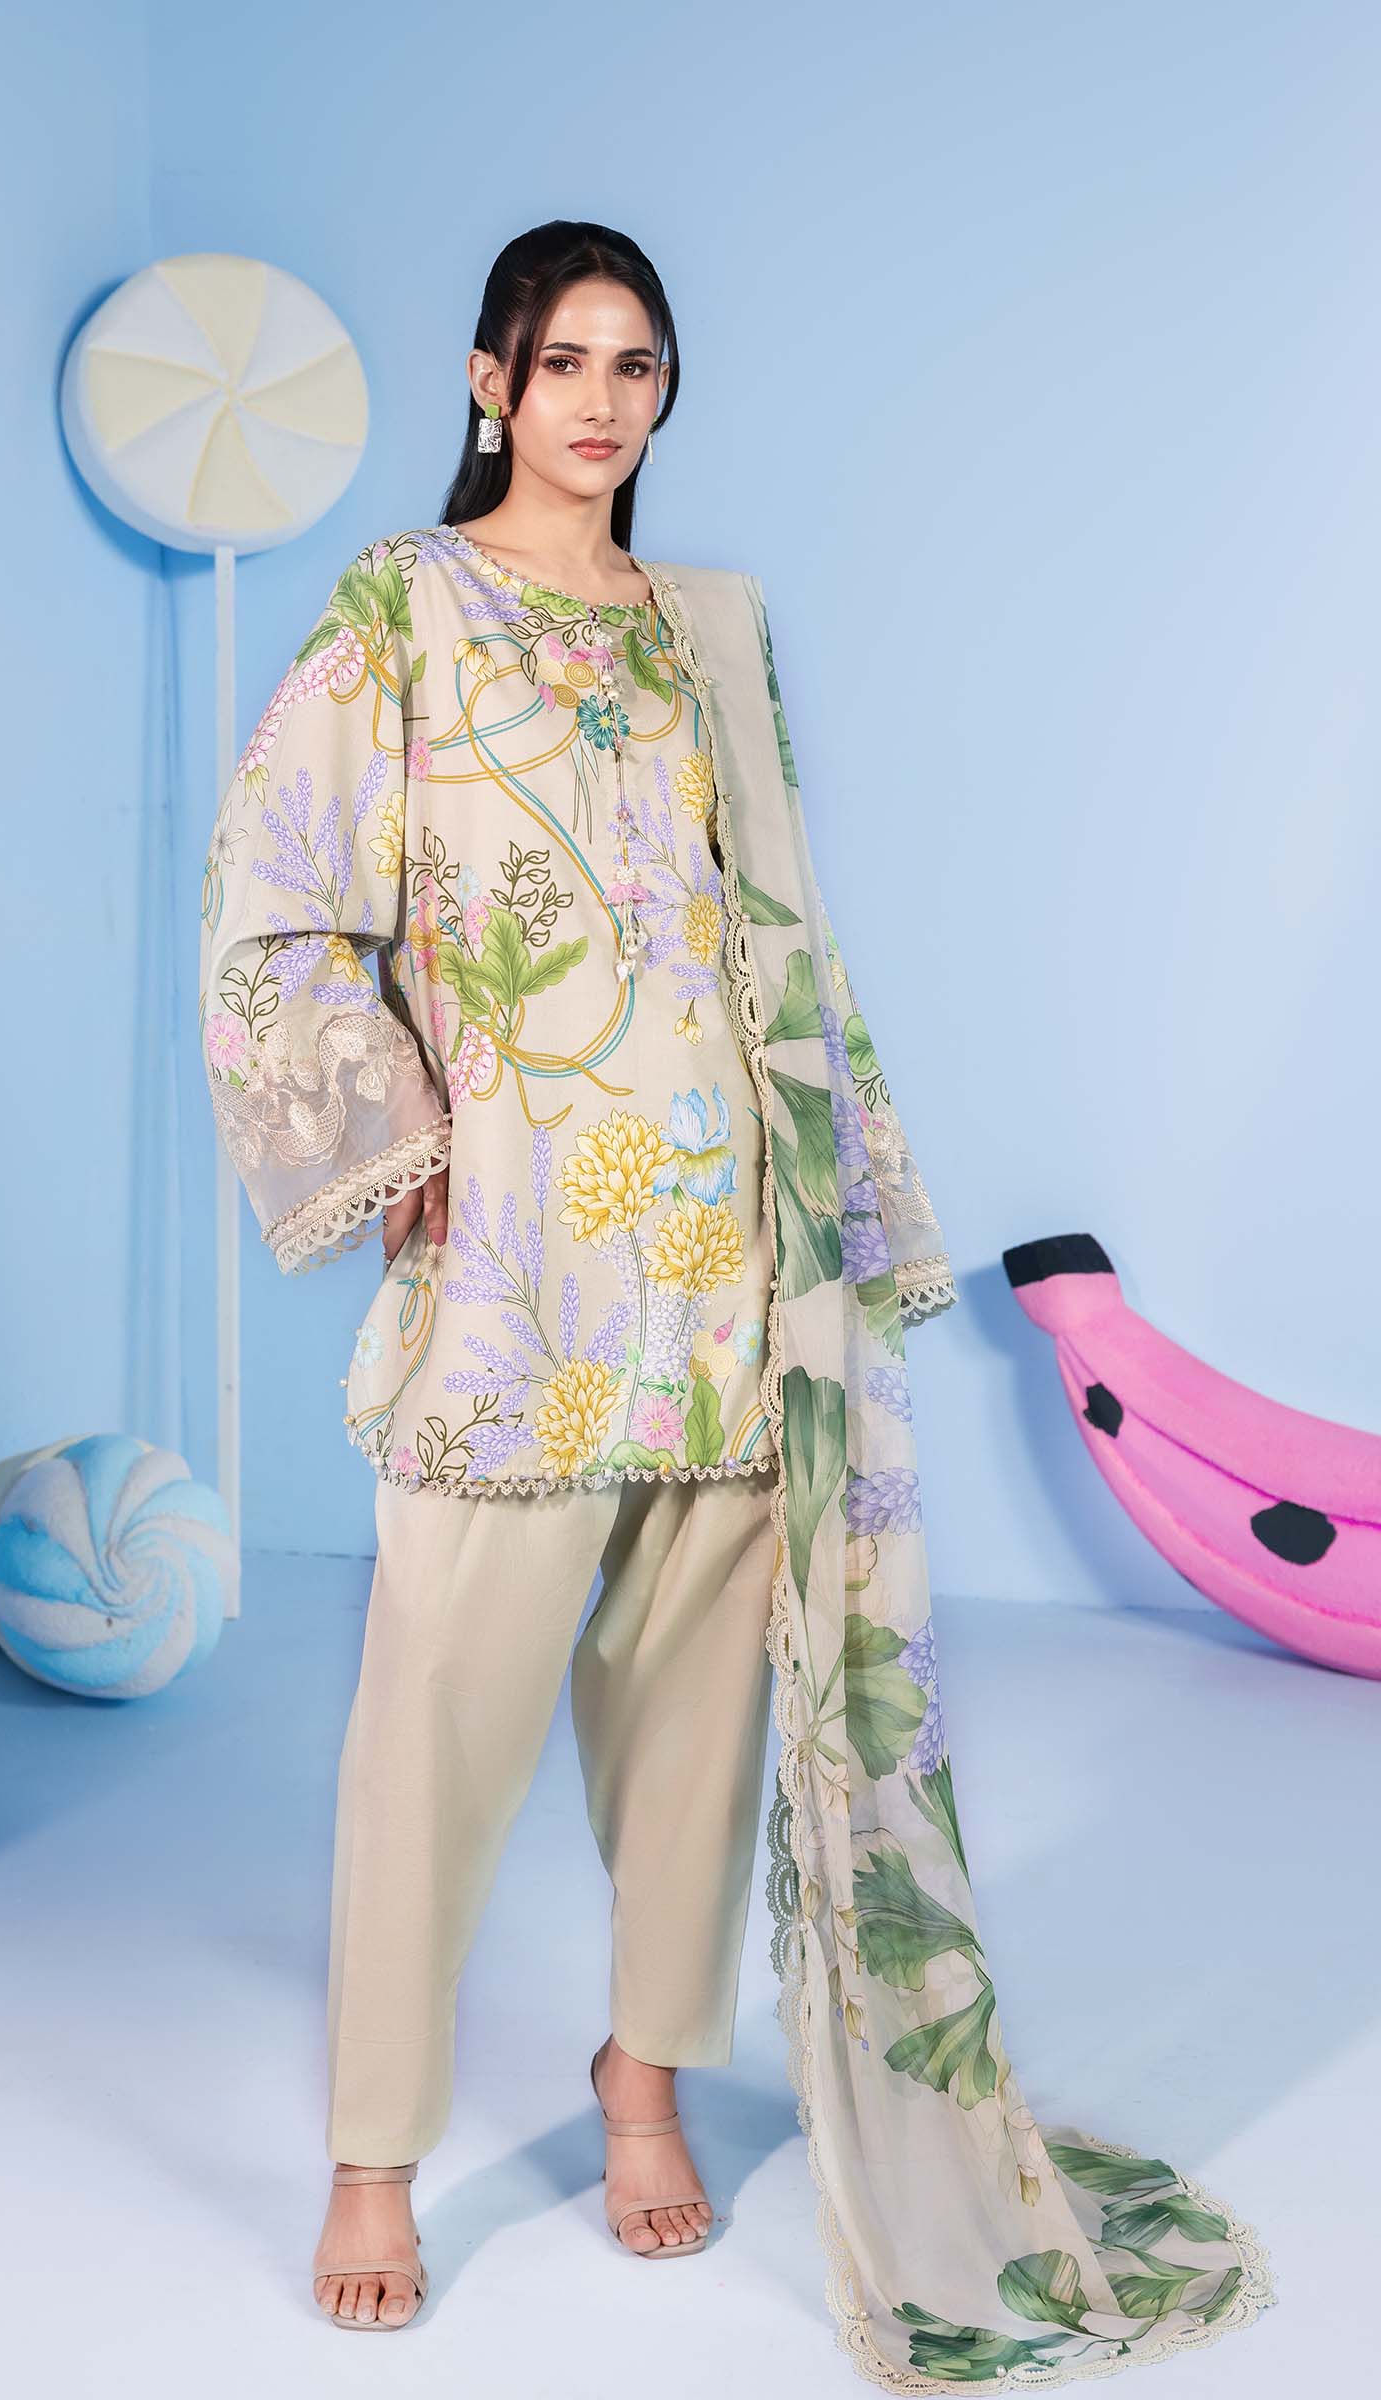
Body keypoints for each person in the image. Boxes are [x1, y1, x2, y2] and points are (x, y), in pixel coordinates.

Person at [199, 222, 1273, 2378]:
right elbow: (276, 900)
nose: (603, 402)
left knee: (697, 1726)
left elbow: (775, 931)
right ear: (490, 380)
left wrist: (841, 1204)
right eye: (563, 363)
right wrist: (393, 1134)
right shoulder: (404, 606)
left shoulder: (709, 628)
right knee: (432, 1719)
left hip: (725, 1249)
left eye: (637, 365)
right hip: (518, 1265)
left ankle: (642, 2080)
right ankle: (374, 2151)